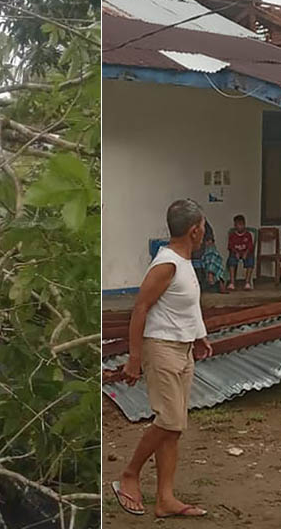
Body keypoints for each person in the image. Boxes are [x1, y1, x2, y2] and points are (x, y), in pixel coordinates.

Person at [112, 199, 212, 519]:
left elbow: (186, 305)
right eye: (204, 226)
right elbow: (140, 308)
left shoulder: (184, 262)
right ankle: (129, 473)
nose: (206, 231)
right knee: (169, 420)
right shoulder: (166, 264)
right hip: (162, 349)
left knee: (174, 428)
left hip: (183, 350)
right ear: (195, 231)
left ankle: (165, 499)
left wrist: (199, 335)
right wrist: (134, 358)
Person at [192, 220, 226, 292]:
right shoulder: (186, 223)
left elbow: (209, 234)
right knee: (208, 254)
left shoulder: (203, 221)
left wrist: (209, 240)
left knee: (213, 253)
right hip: (193, 248)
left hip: (204, 246)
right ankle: (213, 277)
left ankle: (214, 276)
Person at [226, 214, 256, 291]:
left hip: (246, 253)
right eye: (238, 225)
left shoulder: (248, 235)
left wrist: (246, 253)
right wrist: (236, 252)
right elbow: (230, 246)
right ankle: (232, 283)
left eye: (242, 224)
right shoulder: (232, 235)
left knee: (250, 259)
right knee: (231, 260)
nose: (240, 226)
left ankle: (247, 282)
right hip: (236, 253)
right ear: (235, 225)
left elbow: (250, 246)